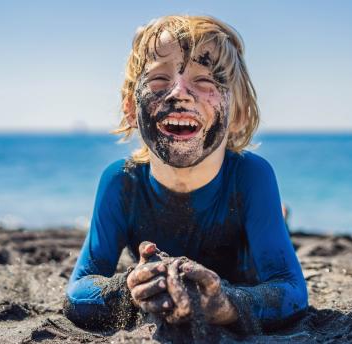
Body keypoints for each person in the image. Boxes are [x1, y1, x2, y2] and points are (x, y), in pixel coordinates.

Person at [63, 15, 308, 335]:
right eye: (159, 81)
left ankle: (279, 215)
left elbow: (292, 291)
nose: (179, 93)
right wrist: (129, 291)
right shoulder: (122, 182)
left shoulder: (251, 177)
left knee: (274, 225)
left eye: (205, 81)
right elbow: (77, 292)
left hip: (242, 260)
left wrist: (224, 303)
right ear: (129, 108)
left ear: (238, 112)